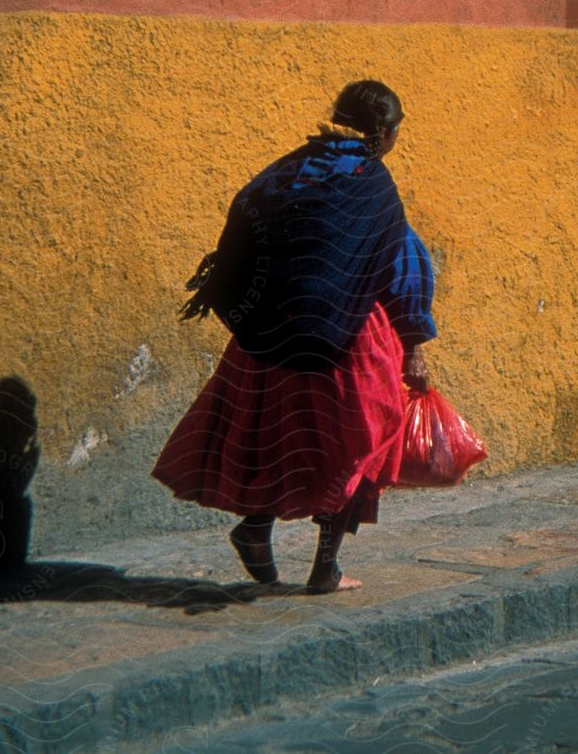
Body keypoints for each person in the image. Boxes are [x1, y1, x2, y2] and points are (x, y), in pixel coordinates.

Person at [151, 80, 437, 594]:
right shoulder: (371, 183)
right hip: (348, 338)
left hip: (272, 338)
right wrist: (413, 344)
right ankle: (324, 567)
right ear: (387, 132)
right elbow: (401, 264)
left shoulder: (288, 170)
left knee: (281, 433)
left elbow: (246, 221)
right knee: (358, 441)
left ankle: (257, 527)